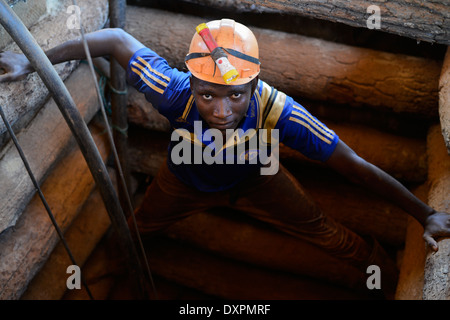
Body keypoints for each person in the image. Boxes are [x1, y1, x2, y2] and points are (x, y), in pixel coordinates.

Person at [1, 20, 449, 298]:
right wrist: (31, 60)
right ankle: (118, 276)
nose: (220, 110)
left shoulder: (280, 111)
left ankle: (385, 277)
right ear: (191, 84)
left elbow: (352, 164)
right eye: (207, 94)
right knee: (138, 228)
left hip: (259, 178)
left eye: (235, 96)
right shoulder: (174, 90)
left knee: (323, 230)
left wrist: (425, 213)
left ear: (254, 86)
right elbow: (115, 39)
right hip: (185, 180)